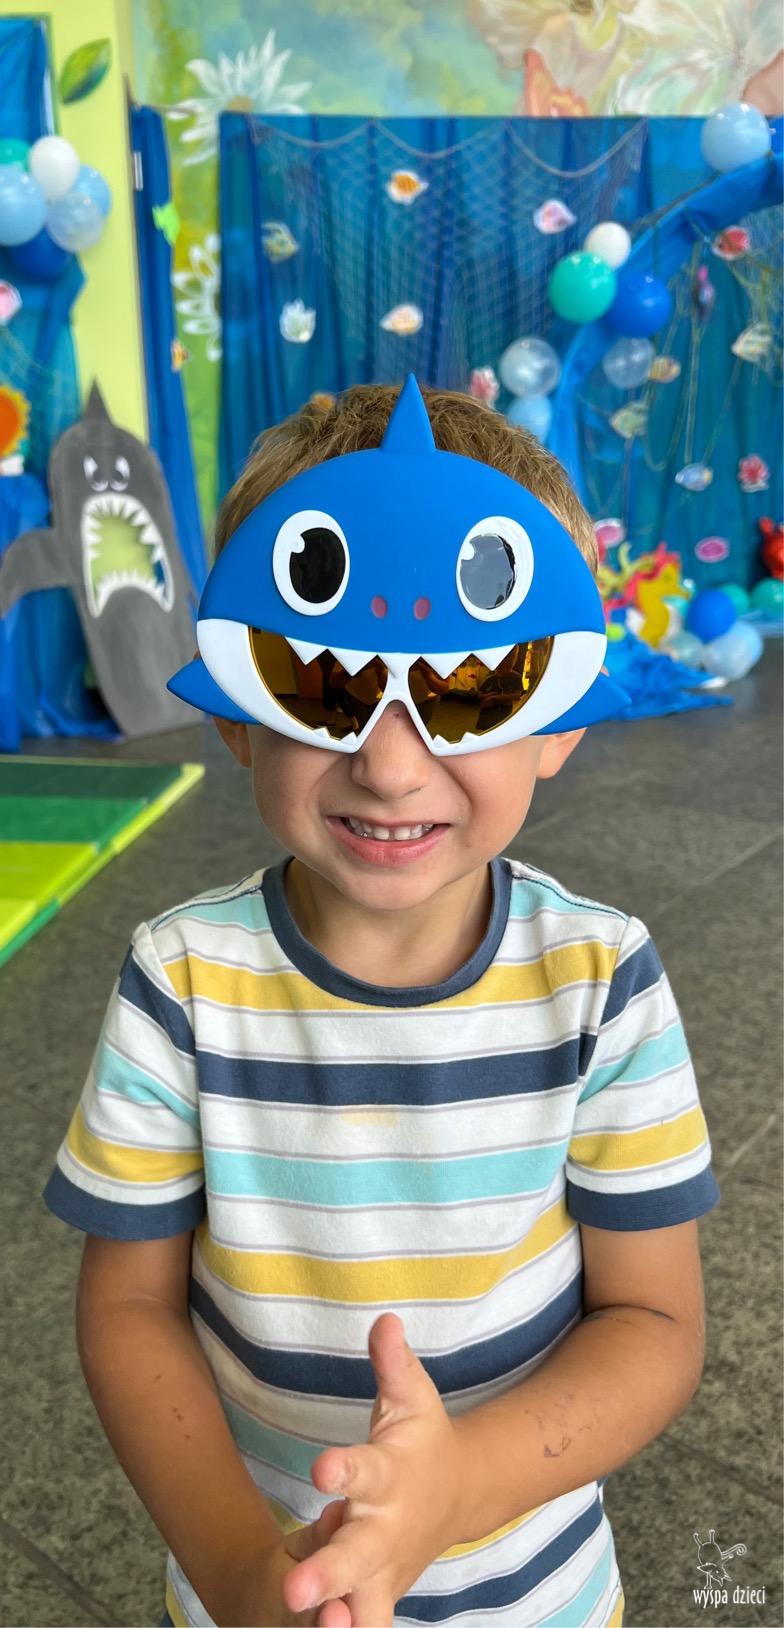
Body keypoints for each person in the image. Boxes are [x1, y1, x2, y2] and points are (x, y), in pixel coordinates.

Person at [44, 378, 718, 1628]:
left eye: (466, 687)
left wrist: (461, 1482)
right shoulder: (180, 979)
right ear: (236, 714)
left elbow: (655, 1315)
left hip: (538, 1597)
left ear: (557, 721)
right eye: (324, 681)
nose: (392, 764)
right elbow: (129, 1308)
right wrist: (244, 1573)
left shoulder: (601, 978)